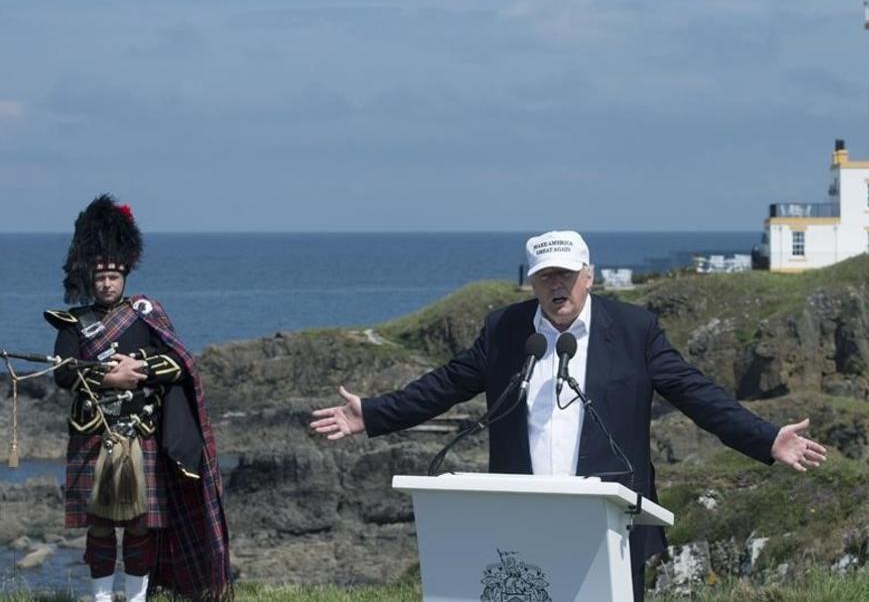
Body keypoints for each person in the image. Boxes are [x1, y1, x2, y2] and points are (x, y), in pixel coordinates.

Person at [311, 229, 827, 600]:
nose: (557, 286)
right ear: (533, 282)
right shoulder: (507, 330)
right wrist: (373, 415)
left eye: (566, 275)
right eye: (545, 277)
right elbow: (446, 384)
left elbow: (696, 394)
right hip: (526, 513)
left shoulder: (633, 330)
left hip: (608, 518)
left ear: (589, 276)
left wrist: (767, 439)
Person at [47, 195, 232, 602]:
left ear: (125, 273)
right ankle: (99, 599)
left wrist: (141, 367)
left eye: (114, 275)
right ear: (88, 277)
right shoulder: (73, 323)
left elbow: (180, 363)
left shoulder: (147, 313)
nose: (107, 283)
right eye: (100, 276)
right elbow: (63, 373)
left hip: (140, 432)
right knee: (98, 526)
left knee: (139, 525)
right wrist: (112, 376)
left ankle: (134, 599)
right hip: (93, 434)